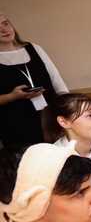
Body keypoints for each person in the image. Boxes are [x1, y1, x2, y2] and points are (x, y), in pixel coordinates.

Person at [0, 12, 69, 150]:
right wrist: (12, 96)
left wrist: (68, 107)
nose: (4, 30)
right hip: (15, 123)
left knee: (59, 157)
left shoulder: (34, 48)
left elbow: (57, 81)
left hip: (49, 117)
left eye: (5, 23)